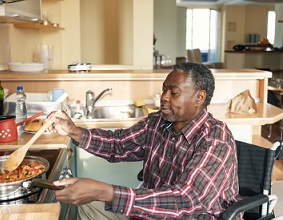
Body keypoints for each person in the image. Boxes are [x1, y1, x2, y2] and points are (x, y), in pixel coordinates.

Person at [47, 62, 241, 219]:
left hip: (193, 216)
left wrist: (105, 192)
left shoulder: (215, 139)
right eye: (164, 90)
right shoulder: (157, 122)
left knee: (100, 200)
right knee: (88, 208)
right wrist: (73, 131)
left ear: (199, 97)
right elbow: (119, 144)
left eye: (173, 93)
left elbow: (186, 200)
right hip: (153, 213)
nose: (164, 97)